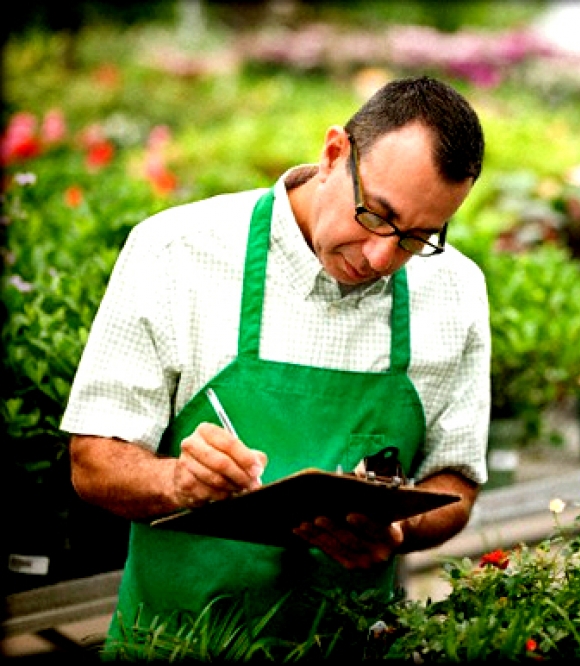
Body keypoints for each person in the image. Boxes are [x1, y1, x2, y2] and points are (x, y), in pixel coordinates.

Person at [60, 75, 490, 649]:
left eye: (417, 236)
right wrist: (179, 481)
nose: (382, 256)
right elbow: (93, 463)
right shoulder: (177, 251)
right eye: (376, 215)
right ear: (335, 153)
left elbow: (456, 483)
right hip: (176, 644)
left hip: (352, 643)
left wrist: (398, 528)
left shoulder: (455, 287)